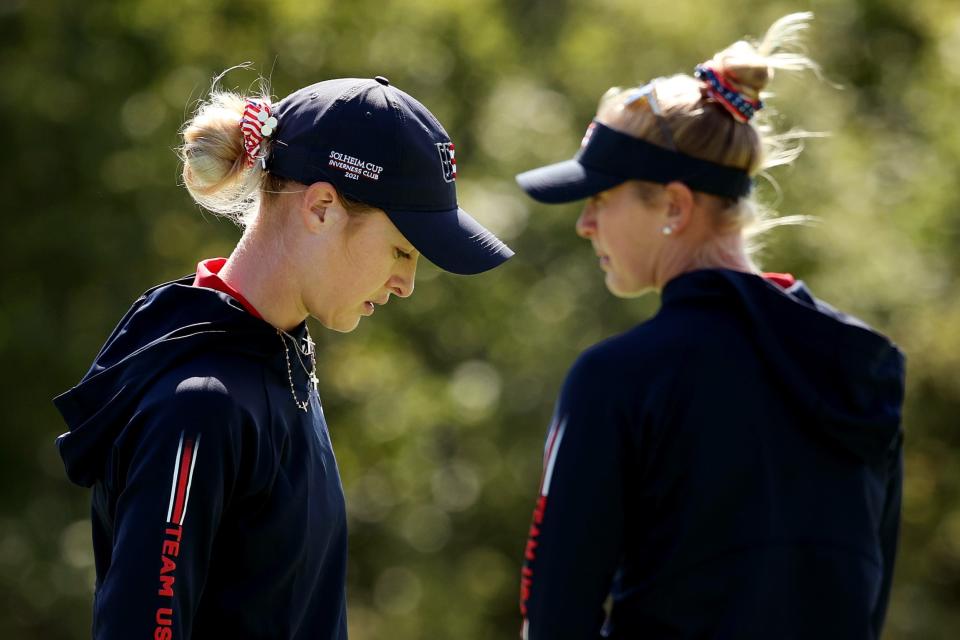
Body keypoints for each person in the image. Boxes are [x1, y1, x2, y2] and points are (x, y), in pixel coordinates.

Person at [53, 73, 512, 639]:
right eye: (401, 250)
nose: (406, 284)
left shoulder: (283, 359)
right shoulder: (200, 406)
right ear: (321, 208)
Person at [514, 13, 904, 640]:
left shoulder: (618, 378)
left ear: (674, 205)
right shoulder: (864, 366)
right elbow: (866, 604)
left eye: (600, 199)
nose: (586, 226)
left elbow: (556, 617)